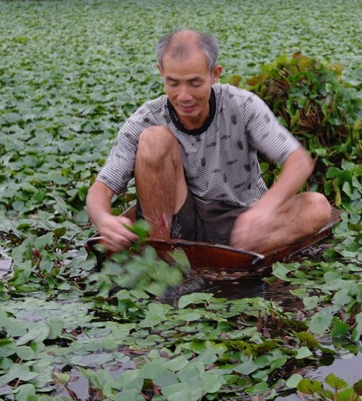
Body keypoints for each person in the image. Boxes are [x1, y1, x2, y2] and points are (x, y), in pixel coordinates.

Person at [86, 30, 332, 255]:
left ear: (215, 74)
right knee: (153, 139)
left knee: (317, 207)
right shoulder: (147, 117)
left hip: (240, 221)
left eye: (194, 83)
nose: (184, 96)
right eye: (173, 83)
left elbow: (298, 161)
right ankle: (161, 255)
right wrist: (104, 220)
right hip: (178, 219)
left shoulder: (242, 105)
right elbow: (101, 189)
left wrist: (264, 210)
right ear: (161, 72)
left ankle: (233, 252)